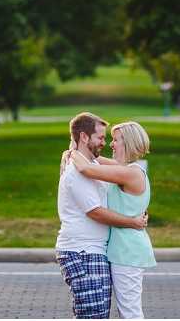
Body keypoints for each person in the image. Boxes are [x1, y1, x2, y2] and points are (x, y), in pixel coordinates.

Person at [56, 112, 148, 319]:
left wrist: (72, 152)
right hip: (86, 251)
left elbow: (88, 168)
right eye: (103, 138)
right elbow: (95, 211)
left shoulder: (125, 170)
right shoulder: (87, 168)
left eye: (114, 140)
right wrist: (71, 152)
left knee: (123, 313)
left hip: (114, 250)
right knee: (98, 315)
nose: (107, 143)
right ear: (84, 137)